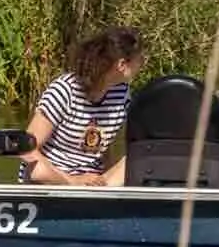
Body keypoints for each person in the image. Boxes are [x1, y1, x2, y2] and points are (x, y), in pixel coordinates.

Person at [17, 26, 144, 186]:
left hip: (93, 180)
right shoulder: (64, 91)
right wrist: (72, 181)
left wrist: (105, 178)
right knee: (38, 170)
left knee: (140, 157)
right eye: (140, 60)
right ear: (122, 65)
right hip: (54, 178)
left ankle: (106, 200)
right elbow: (25, 148)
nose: (142, 65)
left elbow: (105, 145)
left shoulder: (122, 93)